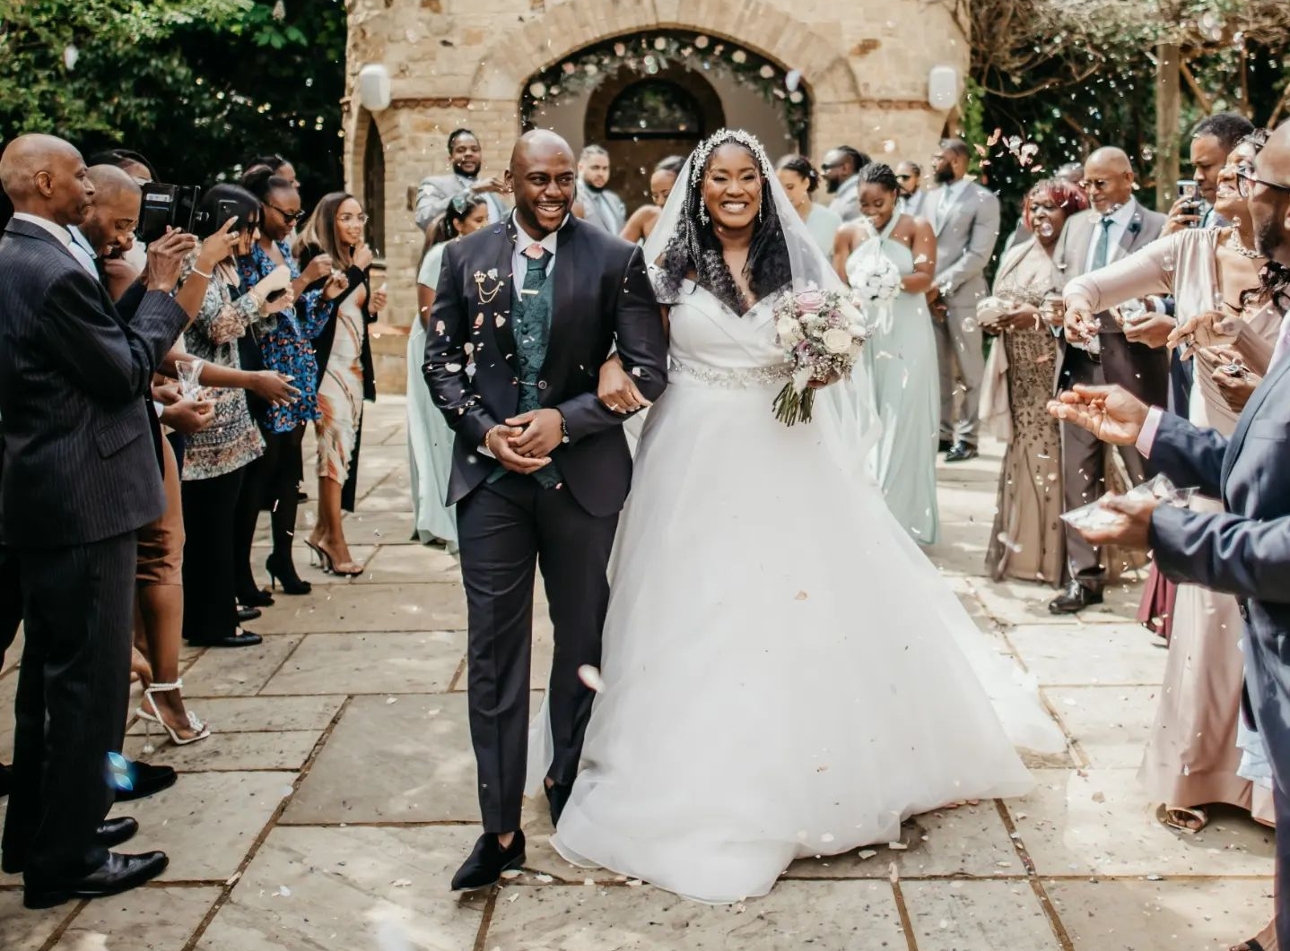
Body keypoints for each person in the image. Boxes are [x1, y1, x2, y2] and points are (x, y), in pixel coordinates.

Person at [546, 129, 1063, 904]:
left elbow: (834, 351)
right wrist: (617, 361)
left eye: (746, 177)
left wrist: (826, 359)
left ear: (765, 186)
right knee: (693, 607)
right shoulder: (666, 262)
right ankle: (691, 771)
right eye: (717, 177)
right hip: (691, 457)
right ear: (697, 185)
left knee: (801, 599)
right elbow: (625, 341)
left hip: (786, 450)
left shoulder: (796, 263)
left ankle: (819, 768)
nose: (732, 189)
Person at [1045, 118, 1290, 949]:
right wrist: (1150, 423)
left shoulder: (1279, 283)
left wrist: (1166, 533)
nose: (1230, 195)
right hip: (1223, 472)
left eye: (1252, 182)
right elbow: (1252, 447)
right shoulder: (1201, 253)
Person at [425, 129, 670, 892]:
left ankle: (567, 776)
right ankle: (500, 826)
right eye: (539, 178)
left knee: (583, 640)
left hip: (583, 480)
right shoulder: (464, 260)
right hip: (492, 485)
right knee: (494, 651)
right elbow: (442, 362)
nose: (554, 191)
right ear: (510, 180)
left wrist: (567, 420)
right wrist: (487, 432)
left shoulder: (614, 258)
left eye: (565, 178)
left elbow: (649, 367)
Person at [0, 133, 194, 906]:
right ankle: (68, 858)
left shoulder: (19, 254)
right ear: (43, 180)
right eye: (78, 172)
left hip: (47, 494)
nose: (91, 183)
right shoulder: (49, 270)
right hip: (84, 496)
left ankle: (40, 829)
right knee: (87, 681)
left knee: (49, 678)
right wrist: (160, 290)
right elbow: (122, 371)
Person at [179, 186, 300, 651]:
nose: (250, 236)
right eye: (246, 226)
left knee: (225, 519)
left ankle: (221, 604)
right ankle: (210, 621)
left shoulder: (218, 263)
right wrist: (258, 294)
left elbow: (231, 324)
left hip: (229, 409)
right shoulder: (196, 259)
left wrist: (267, 309)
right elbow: (214, 327)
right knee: (209, 525)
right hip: (208, 407)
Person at [1052, 146, 1169, 613]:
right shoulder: (1075, 227)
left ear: (1128, 178)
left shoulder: (1160, 227)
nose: (1091, 193)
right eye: (1087, 184)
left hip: (1134, 368)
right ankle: (1084, 577)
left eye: (1101, 183)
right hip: (1079, 366)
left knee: (1149, 473)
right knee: (1078, 475)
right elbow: (1059, 287)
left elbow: (1169, 293)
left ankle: (1165, 585)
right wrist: (1059, 316)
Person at [235, 171, 347, 599]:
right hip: (264, 376)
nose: (291, 222)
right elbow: (256, 318)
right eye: (286, 213)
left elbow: (297, 323)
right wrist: (301, 282)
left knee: (288, 479)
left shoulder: (282, 248)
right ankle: (239, 570)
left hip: (296, 377)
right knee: (257, 480)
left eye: (297, 214)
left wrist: (325, 297)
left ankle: (281, 556)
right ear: (259, 207)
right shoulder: (246, 257)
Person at [979, 178, 1089, 584]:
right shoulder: (1018, 251)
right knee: (1022, 454)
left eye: (1052, 207)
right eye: (1035, 206)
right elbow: (1001, 295)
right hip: (1020, 376)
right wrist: (996, 319)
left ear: (1072, 213)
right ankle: (1023, 555)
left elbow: (1082, 308)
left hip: (1058, 373)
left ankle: (1060, 559)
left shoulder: (1076, 257)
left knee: (1059, 460)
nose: (1041, 214)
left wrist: (1038, 318)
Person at [834, 162, 939, 542]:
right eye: (864, 202)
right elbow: (840, 284)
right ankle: (865, 517)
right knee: (864, 418)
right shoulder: (846, 233)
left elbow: (926, 277)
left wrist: (889, 281)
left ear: (895, 195)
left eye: (878, 201)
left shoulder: (917, 228)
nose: (872, 209)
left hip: (908, 334)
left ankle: (901, 521)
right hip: (864, 336)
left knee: (904, 420)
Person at [296, 192, 387, 576]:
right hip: (326, 370)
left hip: (352, 368)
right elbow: (313, 317)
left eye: (359, 217)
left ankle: (322, 529)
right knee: (333, 451)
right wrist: (355, 274)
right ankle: (335, 539)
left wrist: (371, 309)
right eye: (346, 218)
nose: (355, 225)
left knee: (342, 452)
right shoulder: (315, 261)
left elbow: (350, 316)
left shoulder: (354, 261)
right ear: (329, 221)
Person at [409, 194, 491, 549]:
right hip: (435, 349)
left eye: (488, 219)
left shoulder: (480, 253)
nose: (485, 226)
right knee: (437, 428)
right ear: (458, 224)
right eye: (477, 220)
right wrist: (461, 349)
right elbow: (430, 313)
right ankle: (440, 516)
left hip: (465, 349)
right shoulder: (437, 255)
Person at [927, 138, 1002, 463]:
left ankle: (968, 438)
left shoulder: (984, 200)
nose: (933, 163)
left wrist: (940, 285)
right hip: (929, 296)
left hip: (965, 297)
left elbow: (978, 255)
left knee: (970, 372)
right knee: (940, 370)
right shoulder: (928, 199)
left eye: (938, 158)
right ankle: (943, 434)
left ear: (957, 161)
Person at [1163, 113, 1257, 235]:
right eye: (1195, 167)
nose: (1197, 177)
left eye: (1206, 166)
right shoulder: (1199, 220)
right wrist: (1167, 237)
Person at [414, 129, 508, 232]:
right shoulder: (435, 184)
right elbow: (423, 217)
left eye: (474, 149)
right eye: (461, 150)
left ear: (481, 156)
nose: (468, 154)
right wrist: (471, 191)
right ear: (451, 158)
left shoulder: (490, 191)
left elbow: (506, 222)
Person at [775, 154, 843, 256]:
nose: (784, 194)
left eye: (790, 187)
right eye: (779, 189)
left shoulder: (830, 220)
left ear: (806, 183)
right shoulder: (773, 221)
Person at [619, 156, 684, 244]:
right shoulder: (647, 216)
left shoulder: (701, 220)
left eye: (666, 195)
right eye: (655, 196)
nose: (660, 202)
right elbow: (616, 252)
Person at [576, 145, 627, 233]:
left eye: (605, 168)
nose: (601, 173)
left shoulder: (613, 199)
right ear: (580, 167)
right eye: (595, 168)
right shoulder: (573, 196)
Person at [821, 145, 869, 222]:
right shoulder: (846, 195)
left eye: (825, 168)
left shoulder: (855, 198)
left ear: (845, 169)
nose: (822, 173)